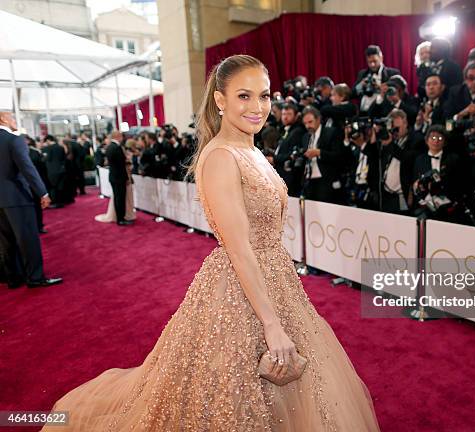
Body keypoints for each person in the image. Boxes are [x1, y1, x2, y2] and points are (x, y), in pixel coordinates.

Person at [42, 55, 380, 431]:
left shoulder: (252, 150)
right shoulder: (220, 157)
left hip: (277, 278)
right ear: (220, 100)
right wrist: (271, 324)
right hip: (239, 287)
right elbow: (239, 249)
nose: (258, 107)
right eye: (244, 96)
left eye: (264, 96)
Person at [0, 112, 62, 289]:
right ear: (3, 120)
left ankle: (14, 278)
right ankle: (35, 277)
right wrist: (42, 193)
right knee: (28, 239)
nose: (14, 121)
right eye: (11, 117)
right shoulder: (14, 139)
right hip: (17, 197)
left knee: (6, 241)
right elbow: (27, 168)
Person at [105, 131, 133, 226]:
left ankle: (120, 218)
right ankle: (121, 219)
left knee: (118, 198)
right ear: (117, 136)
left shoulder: (109, 147)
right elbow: (121, 165)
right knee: (120, 199)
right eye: (121, 136)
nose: (122, 138)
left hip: (113, 177)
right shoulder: (117, 148)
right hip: (119, 177)